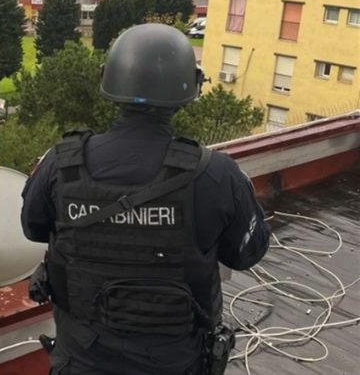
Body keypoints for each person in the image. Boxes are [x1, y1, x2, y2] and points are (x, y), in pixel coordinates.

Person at [21, 24, 270, 375]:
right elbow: (246, 253)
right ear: (191, 87)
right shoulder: (216, 174)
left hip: (80, 360)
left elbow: (33, 228)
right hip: (177, 364)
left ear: (110, 80)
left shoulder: (61, 164)